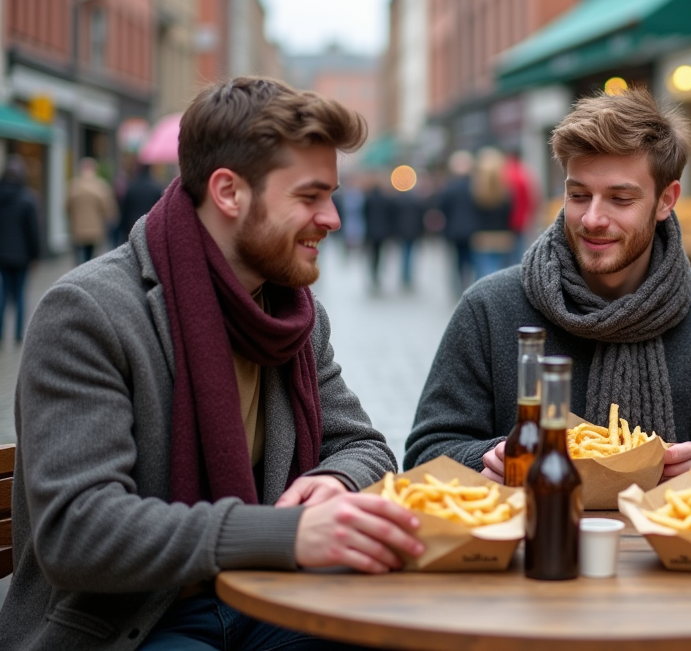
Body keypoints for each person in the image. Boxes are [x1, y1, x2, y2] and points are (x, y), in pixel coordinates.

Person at [1, 77, 426, 651]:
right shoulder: (89, 312)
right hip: (132, 623)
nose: (333, 219)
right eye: (309, 196)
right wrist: (286, 533)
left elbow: (367, 447)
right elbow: (79, 530)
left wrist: (336, 477)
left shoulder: (293, 314)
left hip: (268, 599)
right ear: (229, 192)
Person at [405, 87, 691, 480]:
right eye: (578, 195)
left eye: (620, 199)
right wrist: (489, 458)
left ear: (666, 200)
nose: (592, 218)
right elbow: (426, 453)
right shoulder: (489, 307)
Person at [0, 156, 40, 343]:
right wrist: (36, 254)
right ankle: (18, 334)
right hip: (22, 255)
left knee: (3, 294)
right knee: (20, 296)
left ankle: (1, 333)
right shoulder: (27, 198)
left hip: (2, 255)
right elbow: (33, 230)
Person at [469, 146, 514, 280]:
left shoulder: (476, 191)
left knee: (484, 272)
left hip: (482, 236)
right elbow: (509, 213)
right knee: (499, 272)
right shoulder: (505, 191)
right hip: (502, 235)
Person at [439, 149, 478, 294]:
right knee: (471, 258)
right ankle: (470, 284)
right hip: (473, 229)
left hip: (453, 230)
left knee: (458, 260)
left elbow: (441, 207)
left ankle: (459, 284)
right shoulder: (475, 186)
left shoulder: (450, 187)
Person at [66, 156, 118, 264]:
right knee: (89, 255)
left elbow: (67, 206)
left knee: (79, 254)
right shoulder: (100, 185)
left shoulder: (74, 185)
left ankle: (77, 273)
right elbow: (107, 208)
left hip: (77, 227)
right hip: (95, 228)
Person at [362, 176, 395, 290]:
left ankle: (373, 273)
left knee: (372, 254)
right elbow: (390, 216)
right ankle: (378, 273)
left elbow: (364, 214)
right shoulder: (385, 199)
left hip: (371, 231)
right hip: (382, 231)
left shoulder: (369, 199)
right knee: (380, 253)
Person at [392, 180, 426, 290]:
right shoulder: (416, 200)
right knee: (410, 253)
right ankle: (407, 274)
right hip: (413, 231)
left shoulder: (398, 201)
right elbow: (421, 217)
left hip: (402, 231)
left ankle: (405, 274)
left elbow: (395, 217)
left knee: (405, 252)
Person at [119, 163, 164, 244]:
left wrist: (123, 227)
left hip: (132, 225)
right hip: (150, 226)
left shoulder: (132, 187)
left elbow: (125, 209)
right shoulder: (156, 188)